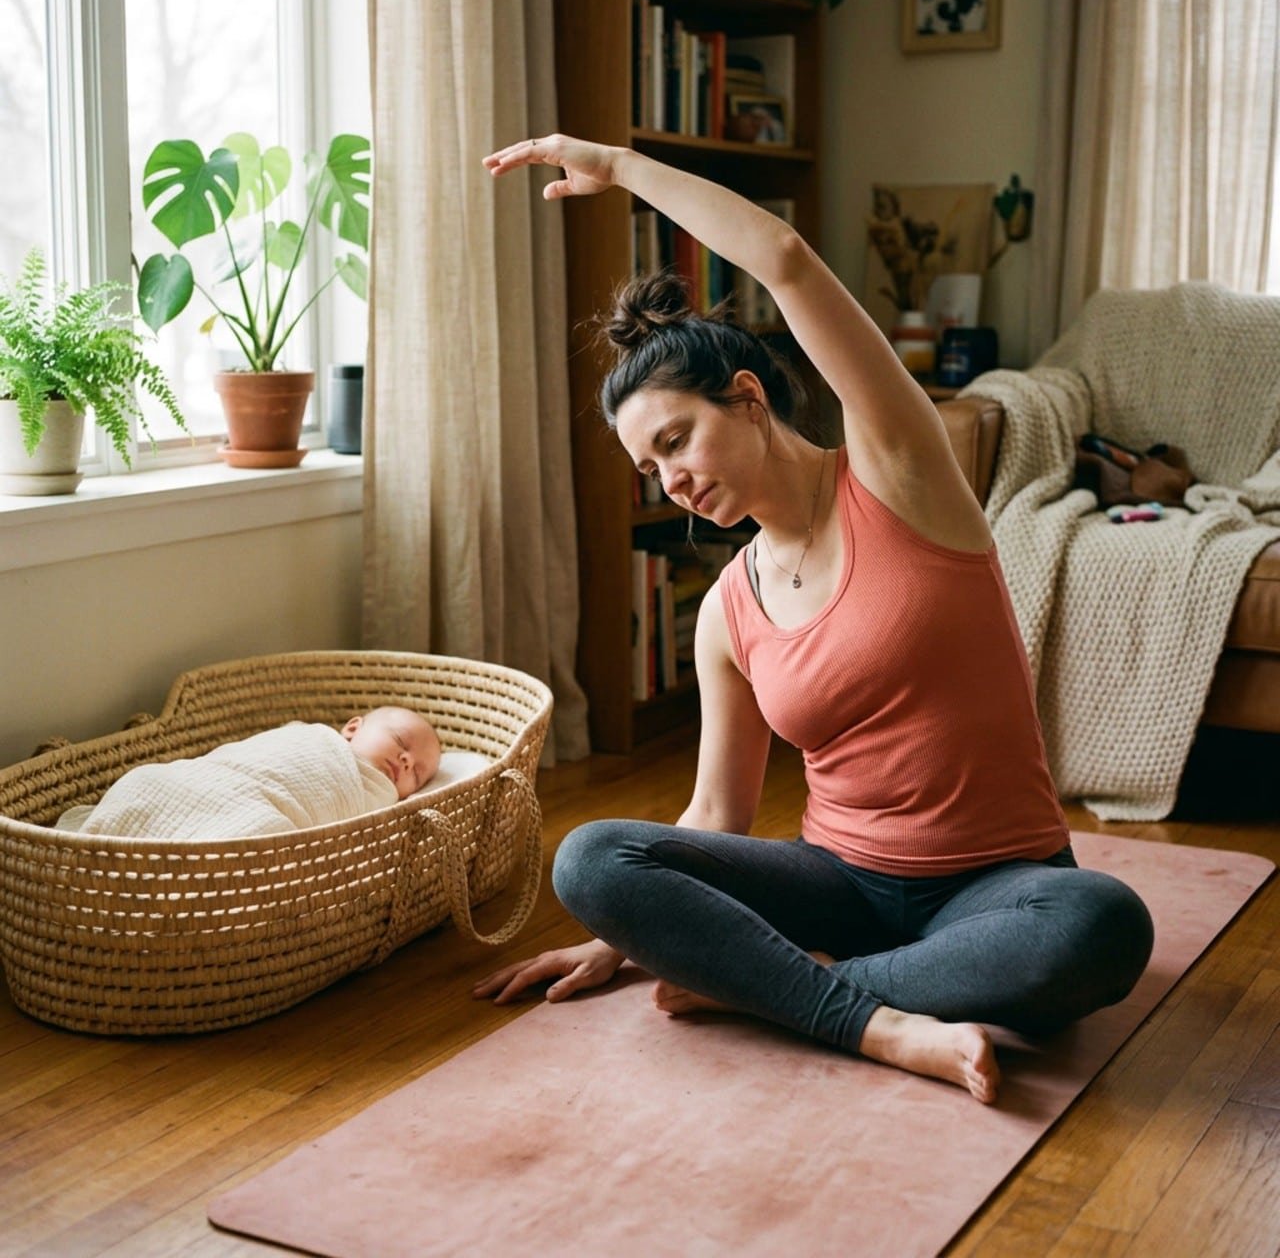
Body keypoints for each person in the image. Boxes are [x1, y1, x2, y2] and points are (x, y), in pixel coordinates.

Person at [473, 134, 1154, 1104]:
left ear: (745, 396)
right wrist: (624, 933)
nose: (671, 479)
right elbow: (717, 814)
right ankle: (873, 1020)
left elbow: (783, 260)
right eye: (650, 469)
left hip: (994, 884)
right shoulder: (726, 610)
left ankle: (780, 992)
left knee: (1098, 926)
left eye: (676, 439)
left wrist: (619, 169)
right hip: (834, 885)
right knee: (589, 856)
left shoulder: (898, 475)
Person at [55, 705, 441, 840]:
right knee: (147, 782)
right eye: (399, 741)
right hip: (208, 780)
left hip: (257, 810)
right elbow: (246, 759)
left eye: (419, 773)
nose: (407, 762)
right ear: (353, 728)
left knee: (256, 837)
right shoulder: (309, 738)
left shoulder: (382, 802)